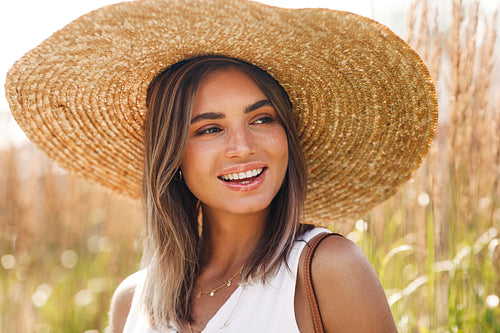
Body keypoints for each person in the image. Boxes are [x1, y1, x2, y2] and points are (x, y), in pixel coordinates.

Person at [5, 0, 438, 332]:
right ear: (171, 153)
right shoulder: (132, 300)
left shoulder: (327, 270)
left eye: (262, 119)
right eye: (209, 129)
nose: (242, 147)